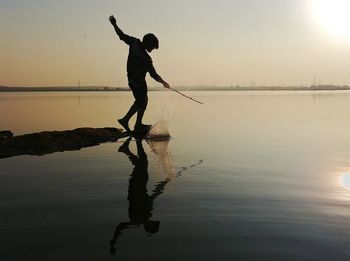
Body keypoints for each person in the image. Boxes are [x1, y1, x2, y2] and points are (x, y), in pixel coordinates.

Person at [108, 15, 170, 133]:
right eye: (152, 46)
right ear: (147, 43)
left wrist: (114, 24)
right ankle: (129, 121)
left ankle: (134, 123)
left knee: (142, 101)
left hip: (134, 80)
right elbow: (153, 74)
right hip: (137, 82)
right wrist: (164, 82)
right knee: (141, 101)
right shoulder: (144, 56)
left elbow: (121, 36)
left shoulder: (134, 43)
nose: (152, 49)